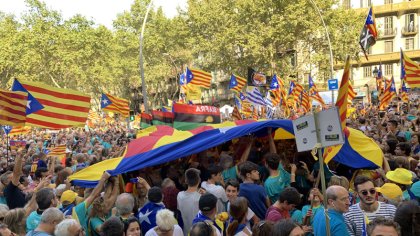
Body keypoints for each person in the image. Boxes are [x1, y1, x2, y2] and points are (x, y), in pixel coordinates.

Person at [177, 168, 202, 235]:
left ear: (186, 181)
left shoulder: (179, 195)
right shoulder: (201, 197)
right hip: (199, 232)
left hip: (186, 232)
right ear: (199, 180)